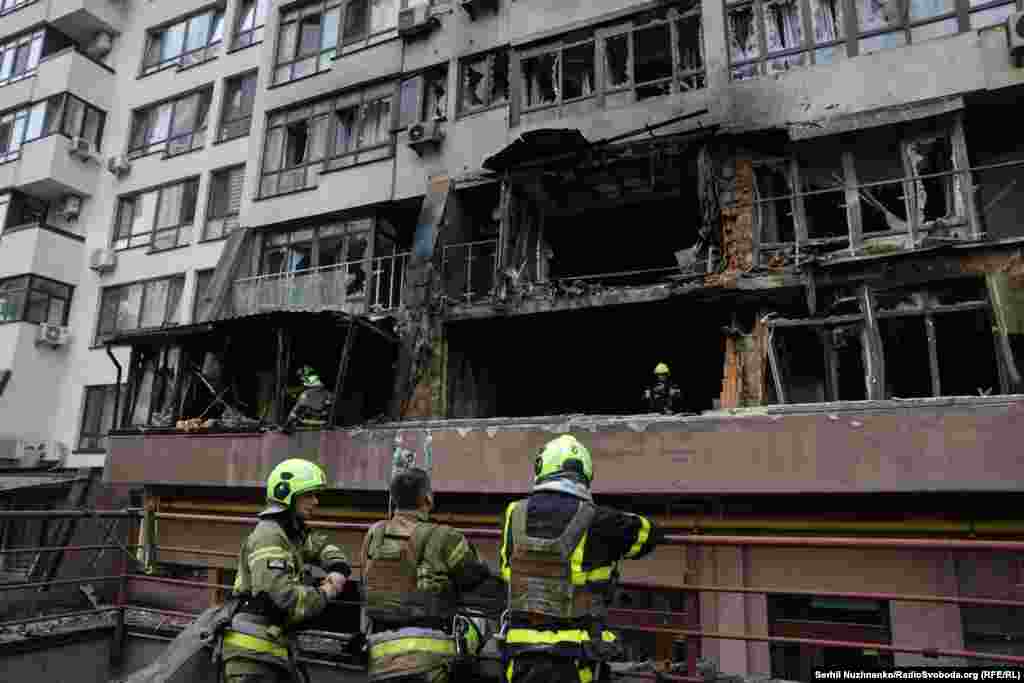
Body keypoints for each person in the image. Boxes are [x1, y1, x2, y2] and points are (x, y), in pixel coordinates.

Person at [499, 435, 664, 683]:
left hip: (520, 652)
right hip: (577, 658)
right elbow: (650, 534)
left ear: (542, 467)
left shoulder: (514, 513)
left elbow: (506, 569)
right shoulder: (600, 519)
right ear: (585, 473)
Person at [361, 467, 497, 683]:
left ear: (394, 499)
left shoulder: (374, 533)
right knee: (482, 623)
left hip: (378, 654)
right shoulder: (445, 536)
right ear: (428, 499)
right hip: (430, 659)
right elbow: (477, 575)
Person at [221, 458, 352, 683]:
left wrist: (338, 568)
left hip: (272, 649)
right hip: (253, 657)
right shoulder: (269, 536)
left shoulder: (291, 533)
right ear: (287, 495)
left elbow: (320, 547)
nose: (316, 501)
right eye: (308, 495)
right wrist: (326, 591)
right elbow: (283, 598)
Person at [285, 366, 334, 431]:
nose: (301, 379)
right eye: (301, 377)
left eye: (302, 377)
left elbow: (306, 387)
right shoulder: (308, 389)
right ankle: (291, 422)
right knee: (300, 403)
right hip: (313, 411)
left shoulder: (312, 388)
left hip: (317, 411)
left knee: (302, 401)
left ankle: (291, 422)